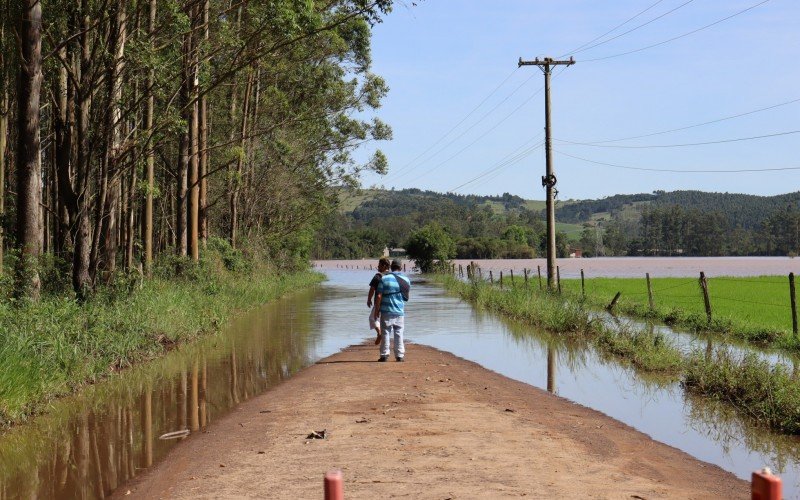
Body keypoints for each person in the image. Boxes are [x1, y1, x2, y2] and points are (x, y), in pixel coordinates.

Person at [374, 259, 411, 362]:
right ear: (401, 267)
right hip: (399, 311)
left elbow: (379, 295)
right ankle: (399, 356)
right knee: (399, 333)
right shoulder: (406, 280)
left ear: (391, 267)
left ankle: (384, 355)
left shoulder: (384, 279)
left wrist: (377, 310)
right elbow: (406, 297)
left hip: (386, 311)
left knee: (385, 332)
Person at [368, 258, 390, 345]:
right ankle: (384, 335)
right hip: (389, 302)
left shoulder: (377, 276)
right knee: (384, 320)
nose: (378, 266)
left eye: (379, 265)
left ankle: (379, 333)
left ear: (384, 266)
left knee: (373, 318)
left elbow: (372, 289)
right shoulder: (391, 276)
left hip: (379, 302)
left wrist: (369, 299)